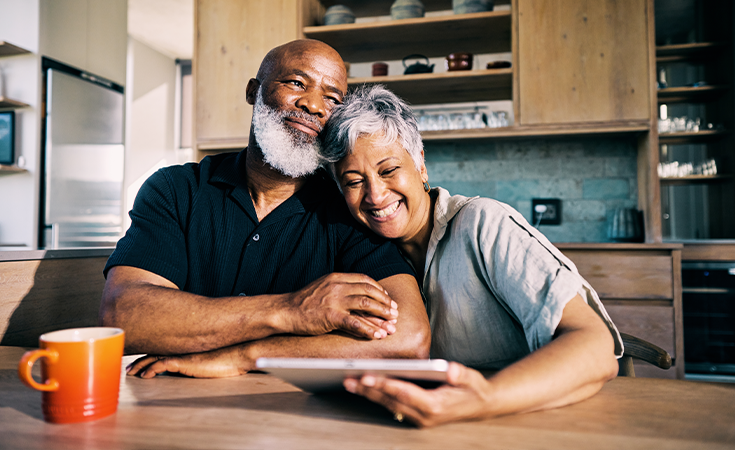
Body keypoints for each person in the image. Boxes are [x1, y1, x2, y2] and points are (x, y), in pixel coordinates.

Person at [100, 40, 430, 379]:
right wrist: (291, 310)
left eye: (332, 99)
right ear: (253, 92)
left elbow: (409, 338)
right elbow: (122, 316)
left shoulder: (348, 209)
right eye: (296, 83)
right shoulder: (176, 190)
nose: (313, 105)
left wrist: (248, 355)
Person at [319, 85, 623, 428]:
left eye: (388, 171)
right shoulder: (364, 257)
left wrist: (483, 399)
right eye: (354, 181)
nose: (375, 194)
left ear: (420, 164)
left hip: (531, 422)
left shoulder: (482, 223)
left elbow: (596, 347)